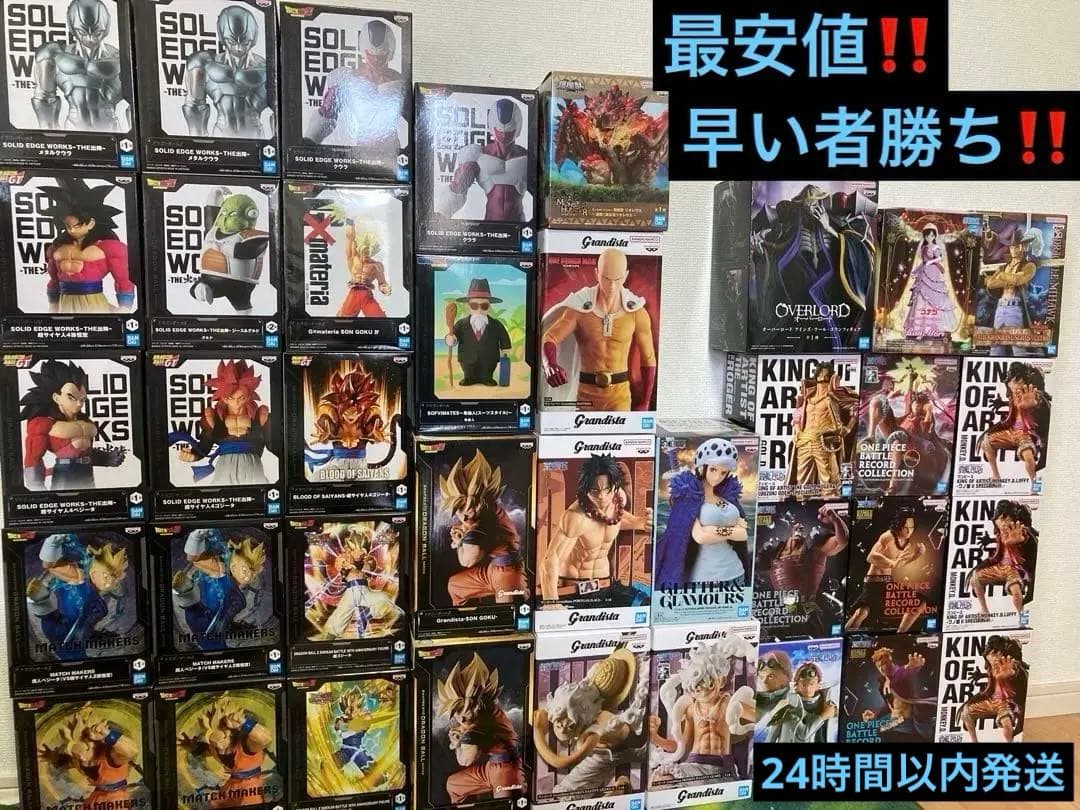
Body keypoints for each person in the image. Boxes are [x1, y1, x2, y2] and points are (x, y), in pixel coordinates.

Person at [541, 248, 656, 411]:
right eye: (606, 278)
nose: (612, 285)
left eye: (617, 279)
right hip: (586, 395)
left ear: (625, 276)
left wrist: (646, 402)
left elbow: (648, 358)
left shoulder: (637, 312)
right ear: (597, 274)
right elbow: (550, 336)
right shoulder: (579, 309)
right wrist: (549, 363)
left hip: (620, 396)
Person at [539, 455, 651, 608]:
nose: (601, 496)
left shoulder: (618, 499)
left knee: (646, 604)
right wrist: (551, 601)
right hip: (576, 593)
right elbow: (551, 560)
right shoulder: (576, 517)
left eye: (607, 489)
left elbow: (614, 519)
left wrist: (640, 522)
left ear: (615, 486)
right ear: (586, 489)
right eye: (594, 490)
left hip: (607, 586)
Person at [533, 647, 647, 794]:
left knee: (568, 792)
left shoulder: (598, 725)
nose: (561, 725)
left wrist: (538, 731)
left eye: (567, 720)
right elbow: (551, 711)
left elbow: (560, 762)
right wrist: (545, 715)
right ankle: (622, 787)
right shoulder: (577, 698)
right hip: (604, 753)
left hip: (628, 751)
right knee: (565, 793)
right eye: (560, 718)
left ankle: (621, 788)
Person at [649, 638, 755, 782]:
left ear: (721, 681)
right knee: (661, 780)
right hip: (694, 764)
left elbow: (759, 717)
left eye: (709, 683)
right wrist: (656, 739)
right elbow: (681, 747)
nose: (704, 690)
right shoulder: (691, 710)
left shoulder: (729, 704)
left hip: (723, 767)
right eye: (698, 687)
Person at [654, 438, 748, 592]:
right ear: (702, 467)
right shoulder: (688, 498)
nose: (717, 477)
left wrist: (712, 530)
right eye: (713, 469)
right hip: (703, 581)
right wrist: (733, 531)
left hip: (736, 574)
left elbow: (743, 534)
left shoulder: (728, 498)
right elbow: (701, 536)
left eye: (723, 472)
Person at [304, 18, 405, 155]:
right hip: (362, 153)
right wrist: (306, 147)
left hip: (392, 153)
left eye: (381, 55)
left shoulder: (400, 82)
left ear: (390, 51)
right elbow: (325, 115)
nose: (376, 59)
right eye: (371, 54)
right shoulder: (346, 79)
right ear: (364, 51)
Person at [20, 359, 125, 491]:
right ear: (56, 397)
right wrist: (37, 488)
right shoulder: (43, 423)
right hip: (65, 474)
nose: (79, 404)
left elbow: (84, 451)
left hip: (87, 473)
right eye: (71, 398)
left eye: (82, 399)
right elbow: (33, 458)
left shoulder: (85, 421)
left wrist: (106, 459)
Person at [439, 450, 527, 605]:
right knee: (455, 586)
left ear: (478, 504)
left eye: (467, 510)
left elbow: (467, 561)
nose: (463, 517)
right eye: (458, 511)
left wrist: (461, 542)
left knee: (507, 613)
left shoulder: (481, 525)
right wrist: (464, 536)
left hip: (509, 574)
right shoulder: (489, 508)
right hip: (493, 570)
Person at [436, 654, 525, 803]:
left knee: (504, 805)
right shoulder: (489, 707)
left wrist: (458, 743)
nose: (460, 720)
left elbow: (464, 761)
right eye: (457, 715)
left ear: (476, 707)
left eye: (464, 714)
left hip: (507, 773)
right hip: (492, 767)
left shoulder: (474, 732)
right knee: (453, 785)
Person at [39, 177, 133, 314]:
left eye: (77, 225)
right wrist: (53, 305)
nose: (72, 230)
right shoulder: (57, 248)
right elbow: (54, 281)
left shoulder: (109, 248)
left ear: (91, 223)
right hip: (64, 304)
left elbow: (123, 280)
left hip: (94, 304)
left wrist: (125, 308)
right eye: (68, 226)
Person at [33, 0, 130, 132]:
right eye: (83, 32)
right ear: (72, 27)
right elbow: (44, 98)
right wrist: (50, 133)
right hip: (73, 131)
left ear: (105, 28)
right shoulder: (55, 55)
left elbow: (139, 105)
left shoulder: (122, 59)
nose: (90, 38)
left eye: (97, 32)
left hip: (110, 132)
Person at [170, 360, 271, 486]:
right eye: (231, 398)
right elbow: (205, 445)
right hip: (225, 465)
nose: (236, 402)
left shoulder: (260, 416)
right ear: (223, 397)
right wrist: (194, 455)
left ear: (249, 396)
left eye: (241, 398)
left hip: (253, 465)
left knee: (257, 492)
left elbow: (274, 443)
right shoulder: (214, 418)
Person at [184, 5, 272, 138]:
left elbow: (282, 111)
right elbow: (194, 107)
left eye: (245, 42)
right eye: (232, 41)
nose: (238, 48)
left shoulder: (267, 68)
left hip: (254, 138)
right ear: (223, 38)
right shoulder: (206, 63)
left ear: (253, 39)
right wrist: (198, 142)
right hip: (221, 136)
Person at [436, 98, 529, 221]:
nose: (504, 134)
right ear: (492, 126)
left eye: (509, 131)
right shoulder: (478, 155)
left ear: (517, 127)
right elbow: (458, 188)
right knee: (465, 172)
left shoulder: (528, 158)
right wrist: (442, 214)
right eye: (500, 130)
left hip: (519, 225)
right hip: (490, 224)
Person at [845, 507, 930, 633]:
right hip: (873, 583)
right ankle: (845, 637)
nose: (909, 531)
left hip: (888, 583)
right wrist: (892, 563)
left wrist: (916, 556)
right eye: (905, 527)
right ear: (899, 525)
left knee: (919, 603)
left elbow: (899, 564)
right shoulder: (888, 536)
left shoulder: (906, 543)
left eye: (911, 528)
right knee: (861, 613)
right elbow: (871, 557)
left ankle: (900, 635)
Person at [788, 362, 858, 499]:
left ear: (831, 378)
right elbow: (797, 415)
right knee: (802, 486)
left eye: (826, 376)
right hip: (804, 442)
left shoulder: (833, 397)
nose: (822, 378)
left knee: (829, 484)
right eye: (820, 374)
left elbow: (857, 405)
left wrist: (848, 427)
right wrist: (798, 432)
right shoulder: (807, 397)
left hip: (823, 442)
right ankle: (802, 509)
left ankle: (831, 508)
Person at [193, 189, 270, 314]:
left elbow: (244, 252)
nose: (226, 218)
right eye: (224, 212)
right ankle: (201, 288)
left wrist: (219, 247)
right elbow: (211, 214)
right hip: (209, 278)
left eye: (233, 213)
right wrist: (215, 194)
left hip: (240, 282)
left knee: (243, 307)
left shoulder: (257, 236)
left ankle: (244, 318)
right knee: (196, 288)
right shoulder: (213, 230)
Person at [979, 362, 1051, 491]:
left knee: (1028, 457)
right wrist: (1002, 403)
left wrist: (1033, 404)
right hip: (1011, 430)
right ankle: (996, 477)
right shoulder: (1012, 392)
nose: (1015, 385)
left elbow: (1038, 403)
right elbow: (1013, 405)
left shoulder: (1030, 392)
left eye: (1018, 382)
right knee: (986, 443)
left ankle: (1035, 484)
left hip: (1026, 432)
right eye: (1013, 382)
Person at [967, 500, 1038, 621]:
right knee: (975, 579)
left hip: (1016, 569)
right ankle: (985, 611)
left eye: (1007, 519)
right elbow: (999, 551)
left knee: (1015, 590)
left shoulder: (1019, 531)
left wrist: (1021, 541)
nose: (1004, 523)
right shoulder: (1000, 534)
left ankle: (1022, 617)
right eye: (1001, 519)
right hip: (1001, 567)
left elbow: (1026, 539)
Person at [445, 278, 512, 387]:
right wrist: (450, 339)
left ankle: (487, 378)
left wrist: (505, 350)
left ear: (489, 306)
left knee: (487, 371)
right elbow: (453, 338)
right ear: (468, 305)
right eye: (474, 306)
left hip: (489, 360)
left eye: (484, 306)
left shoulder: (496, 325)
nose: (479, 310)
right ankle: (468, 378)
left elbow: (504, 340)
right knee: (468, 372)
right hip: (467, 359)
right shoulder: (461, 324)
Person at [961, 634, 1028, 742]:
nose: (995, 658)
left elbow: (1017, 673)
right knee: (966, 713)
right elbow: (992, 677)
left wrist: (1011, 674)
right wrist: (980, 675)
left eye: (998, 654)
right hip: (992, 700)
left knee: (1007, 724)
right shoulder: (990, 666)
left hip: (1006, 702)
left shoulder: (1008, 664)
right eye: (992, 654)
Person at [902, 224, 960, 340]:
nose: (930, 238)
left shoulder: (935, 247)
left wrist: (930, 262)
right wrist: (915, 271)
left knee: (934, 298)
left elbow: (939, 258)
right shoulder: (923, 248)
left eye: (932, 236)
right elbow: (923, 262)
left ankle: (934, 328)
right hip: (924, 274)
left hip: (934, 273)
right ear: (925, 236)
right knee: (920, 297)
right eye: (928, 236)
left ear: (935, 236)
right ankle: (919, 329)